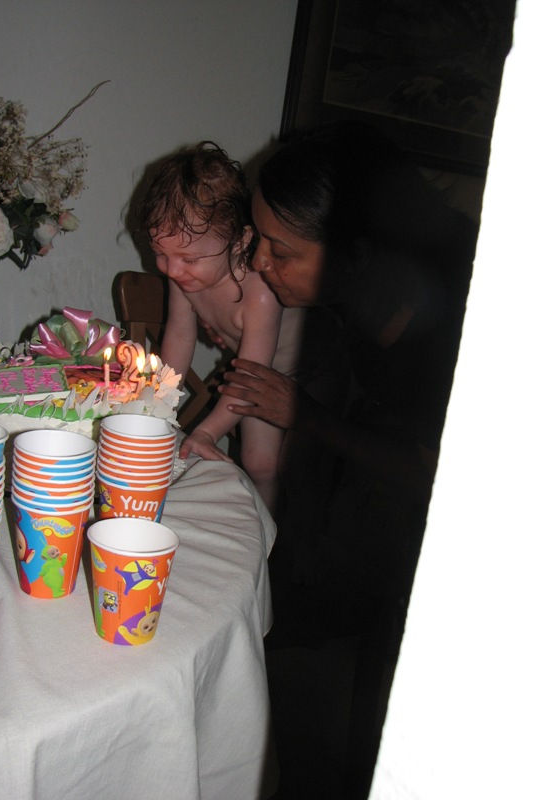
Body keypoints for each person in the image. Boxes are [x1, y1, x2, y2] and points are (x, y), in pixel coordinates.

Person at [218, 124, 478, 796]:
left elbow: (435, 470)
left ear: (356, 252)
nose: (260, 263)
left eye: (281, 250)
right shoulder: (356, 302)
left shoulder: (463, 320)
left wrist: (303, 414)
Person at [125, 141, 303, 509]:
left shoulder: (261, 292)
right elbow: (179, 335)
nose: (173, 270)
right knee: (257, 459)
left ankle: (273, 533)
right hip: (254, 373)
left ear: (240, 241)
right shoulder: (182, 277)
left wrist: (207, 430)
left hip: (295, 375)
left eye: (188, 258)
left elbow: (251, 377)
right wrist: (160, 400)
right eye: (160, 253)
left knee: (262, 463)